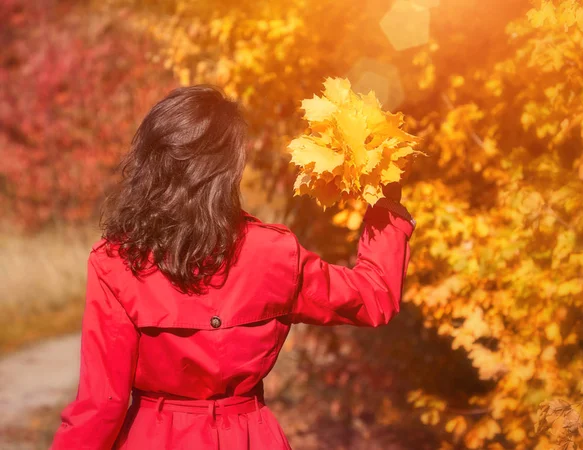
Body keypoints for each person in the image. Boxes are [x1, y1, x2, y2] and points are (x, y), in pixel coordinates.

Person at [50, 84, 416, 450]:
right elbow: (373, 296)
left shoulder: (116, 262)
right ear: (230, 167)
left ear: (150, 162)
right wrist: (385, 200)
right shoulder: (274, 252)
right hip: (250, 438)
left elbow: (102, 406)